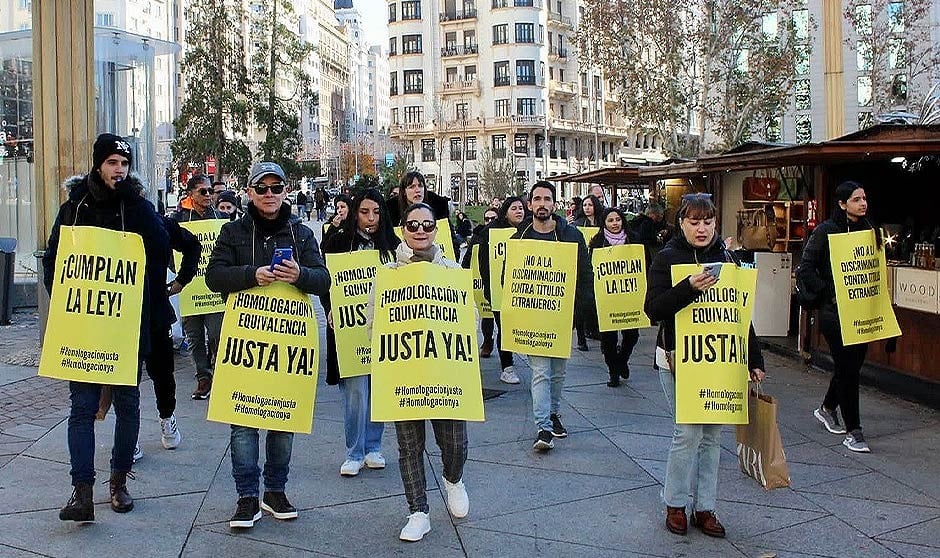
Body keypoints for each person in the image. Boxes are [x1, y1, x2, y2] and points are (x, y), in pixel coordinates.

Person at [44, 133, 172, 521]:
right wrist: (68, 304)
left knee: (128, 405)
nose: (119, 170)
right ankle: (81, 491)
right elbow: (55, 259)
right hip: (85, 326)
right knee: (82, 409)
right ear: (99, 164)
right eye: (113, 162)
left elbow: (163, 249)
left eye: (125, 164)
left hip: (127, 327)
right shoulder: (75, 207)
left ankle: (118, 482)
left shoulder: (136, 207)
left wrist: (137, 203)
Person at [205, 161, 330, 529]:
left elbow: (322, 280)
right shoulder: (232, 232)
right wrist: (250, 275)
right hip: (246, 343)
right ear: (249, 192)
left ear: (285, 191)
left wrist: (300, 275)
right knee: (242, 422)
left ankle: (275, 491)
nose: (270, 194)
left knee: (283, 419)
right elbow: (214, 277)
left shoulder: (301, 234)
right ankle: (247, 497)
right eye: (262, 188)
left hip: (288, 345)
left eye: (277, 187)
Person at [644, 193, 765, 538]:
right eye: (694, 222)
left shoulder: (725, 258)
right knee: (687, 432)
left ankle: (706, 507)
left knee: (712, 435)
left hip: (718, 358)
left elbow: (738, 313)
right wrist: (689, 288)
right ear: (681, 223)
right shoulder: (667, 258)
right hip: (677, 359)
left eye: (708, 221)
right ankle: (675, 504)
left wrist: (753, 358)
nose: (702, 228)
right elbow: (654, 310)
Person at [368, 202, 470, 542]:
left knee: (454, 444)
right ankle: (418, 511)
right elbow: (374, 324)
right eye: (413, 225)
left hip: (445, 372)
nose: (420, 230)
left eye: (427, 225)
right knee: (409, 448)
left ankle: (453, 478)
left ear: (436, 231)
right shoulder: (388, 277)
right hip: (403, 373)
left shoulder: (453, 272)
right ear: (402, 231)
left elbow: (468, 322)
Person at [797, 181, 892, 453]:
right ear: (842, 204)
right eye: (856, 199)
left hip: (861, 312)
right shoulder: (826, 231)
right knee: (848, 369)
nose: (863, 203)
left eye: (864, 198)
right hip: (834, 313)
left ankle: (827, 408)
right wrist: (829, 291)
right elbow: (806, 269)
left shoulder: (870, 231)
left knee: (850, 366)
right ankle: (855, 431)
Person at [320, 189, 399, 477]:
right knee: (355, 392)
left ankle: (373, 447)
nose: (371, 218)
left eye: (376, 212)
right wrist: (330, 308)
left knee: (378, 390)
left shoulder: (394, 246)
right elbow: (325, 280)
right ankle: (353, 452)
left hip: (383, 330)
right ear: (355, 213)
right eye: (365, 212)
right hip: (349, 330)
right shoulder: (338, 242)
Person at [511, 182, 593, 450]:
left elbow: (584, 275)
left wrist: (578, 312)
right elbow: (509, 278)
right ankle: (543, 428)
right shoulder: (519, 240)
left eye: (547, 198)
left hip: (562, 316)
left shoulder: (572, 236)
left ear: (554, 204)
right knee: (540, 372)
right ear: (530, 204)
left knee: (557, 371)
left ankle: (554, 414)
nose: (542, 203)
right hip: (532, 318)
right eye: (537, 199)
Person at [172, 174, 228, 400]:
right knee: (194, 336)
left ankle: (219, 371)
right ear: (191, 194)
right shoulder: (179, 219)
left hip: (213, 290)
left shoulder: (222, 218)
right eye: (202, 192)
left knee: (216, 333)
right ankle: (203, 377)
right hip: (191, 289)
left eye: (210, 191)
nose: (208, 196)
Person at [467, 197, 528, 384]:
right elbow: (483, 262)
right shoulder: (491, 232)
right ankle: (507, 367)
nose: (518, 211)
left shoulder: (530, 229)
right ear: (506, 211)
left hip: (524, 290)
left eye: (521, 208)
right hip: (499, 289)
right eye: (514, 208)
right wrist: (488, 287)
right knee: (504, 327)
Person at [588, 208, 640, 387]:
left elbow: (644, 263)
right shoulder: (597, 243)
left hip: (630, 296)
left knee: (632, 335)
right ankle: (613, 371)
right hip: (606, 298)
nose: (615, 223)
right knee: (608, 340)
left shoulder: (634, 239)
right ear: (604, 223)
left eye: (618, 219)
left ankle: (622, 360)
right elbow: (591, 269)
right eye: (610, 220)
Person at [462, 208, 499, 358]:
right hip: (483, 282)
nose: (490, 222)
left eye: (493, 219)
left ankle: (505, 354)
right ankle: (488, 342)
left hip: (501, 282)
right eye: (487, 219)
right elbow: (469, 256)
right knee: (487, 315)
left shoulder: (508, 234)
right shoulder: (478, 236)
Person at [573, 195, 604, 350]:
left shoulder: (602, 223)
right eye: (584, 205)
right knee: (581, 305)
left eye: (590, 205)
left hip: (600, 268)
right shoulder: (576, 225)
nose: (587, 208)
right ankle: (581, 338)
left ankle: (595, 330)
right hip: (582, 270)